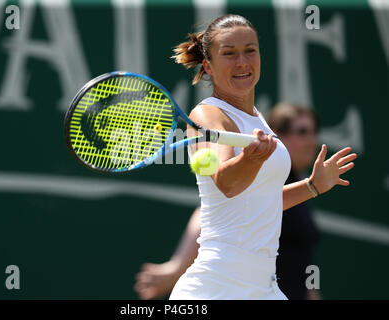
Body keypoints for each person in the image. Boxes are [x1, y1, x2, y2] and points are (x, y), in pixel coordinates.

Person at [136, 14, 357, 300]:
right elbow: (226, 184)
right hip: (218, 287)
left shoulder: (257, 119)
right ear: (208, 66)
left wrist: (312, 185)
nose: (242, 62)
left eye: (250, 50)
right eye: (228, 54)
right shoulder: (207, 115)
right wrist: (251, 159)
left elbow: (259, 202)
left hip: (264, 288)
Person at [134, 103, 324, 300]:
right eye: (302, 132)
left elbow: (298, 261)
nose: (311, 141)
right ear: (278, 134)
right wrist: (178, 267)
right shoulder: (267, 174)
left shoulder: (293, 180)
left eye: (313, 132)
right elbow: (209, 211)